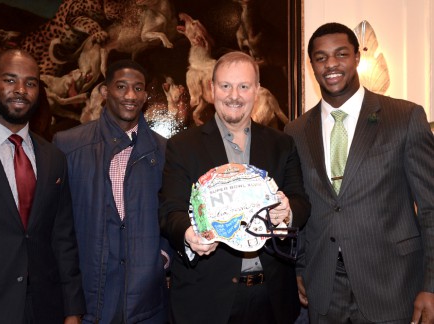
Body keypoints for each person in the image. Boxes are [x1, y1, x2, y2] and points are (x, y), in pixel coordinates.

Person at [285, 22, 434, 323]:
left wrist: (431, 286)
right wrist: (300, 268)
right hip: (324, 289)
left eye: (340, 54)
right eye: (321, 57)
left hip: (393, 285)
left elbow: (431, 208)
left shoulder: (405, 117)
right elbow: (298, 207)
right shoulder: (296, 131)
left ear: (356, 57)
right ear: (311, 64)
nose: (331, 64)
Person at [159, 51, 310, 324]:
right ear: (212, 89)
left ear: (257, 90)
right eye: (226, 86)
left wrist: (287, 214)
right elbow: (171, 211)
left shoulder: (282, 144)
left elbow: (301, 201)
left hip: (273, 299)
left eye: (243, 86)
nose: (234, 95)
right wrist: (189, 234)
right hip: (206, 300)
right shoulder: (182, 147)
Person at [0, 49, 85, 323]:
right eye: (10, 80)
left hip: (43, 311)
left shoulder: (54, 158)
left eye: (31, 83)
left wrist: (72, 310)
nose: (21, 89)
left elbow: (62, 238)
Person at [53, 59, 170, 324]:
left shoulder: (166, 151)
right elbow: (58, 227)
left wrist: (160, 259)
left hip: (147, 303)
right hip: (87, 300)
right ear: (105, 92)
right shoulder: (68, 145)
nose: (131, 95)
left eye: (138, 88)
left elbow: (175, 212)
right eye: (121, 86)